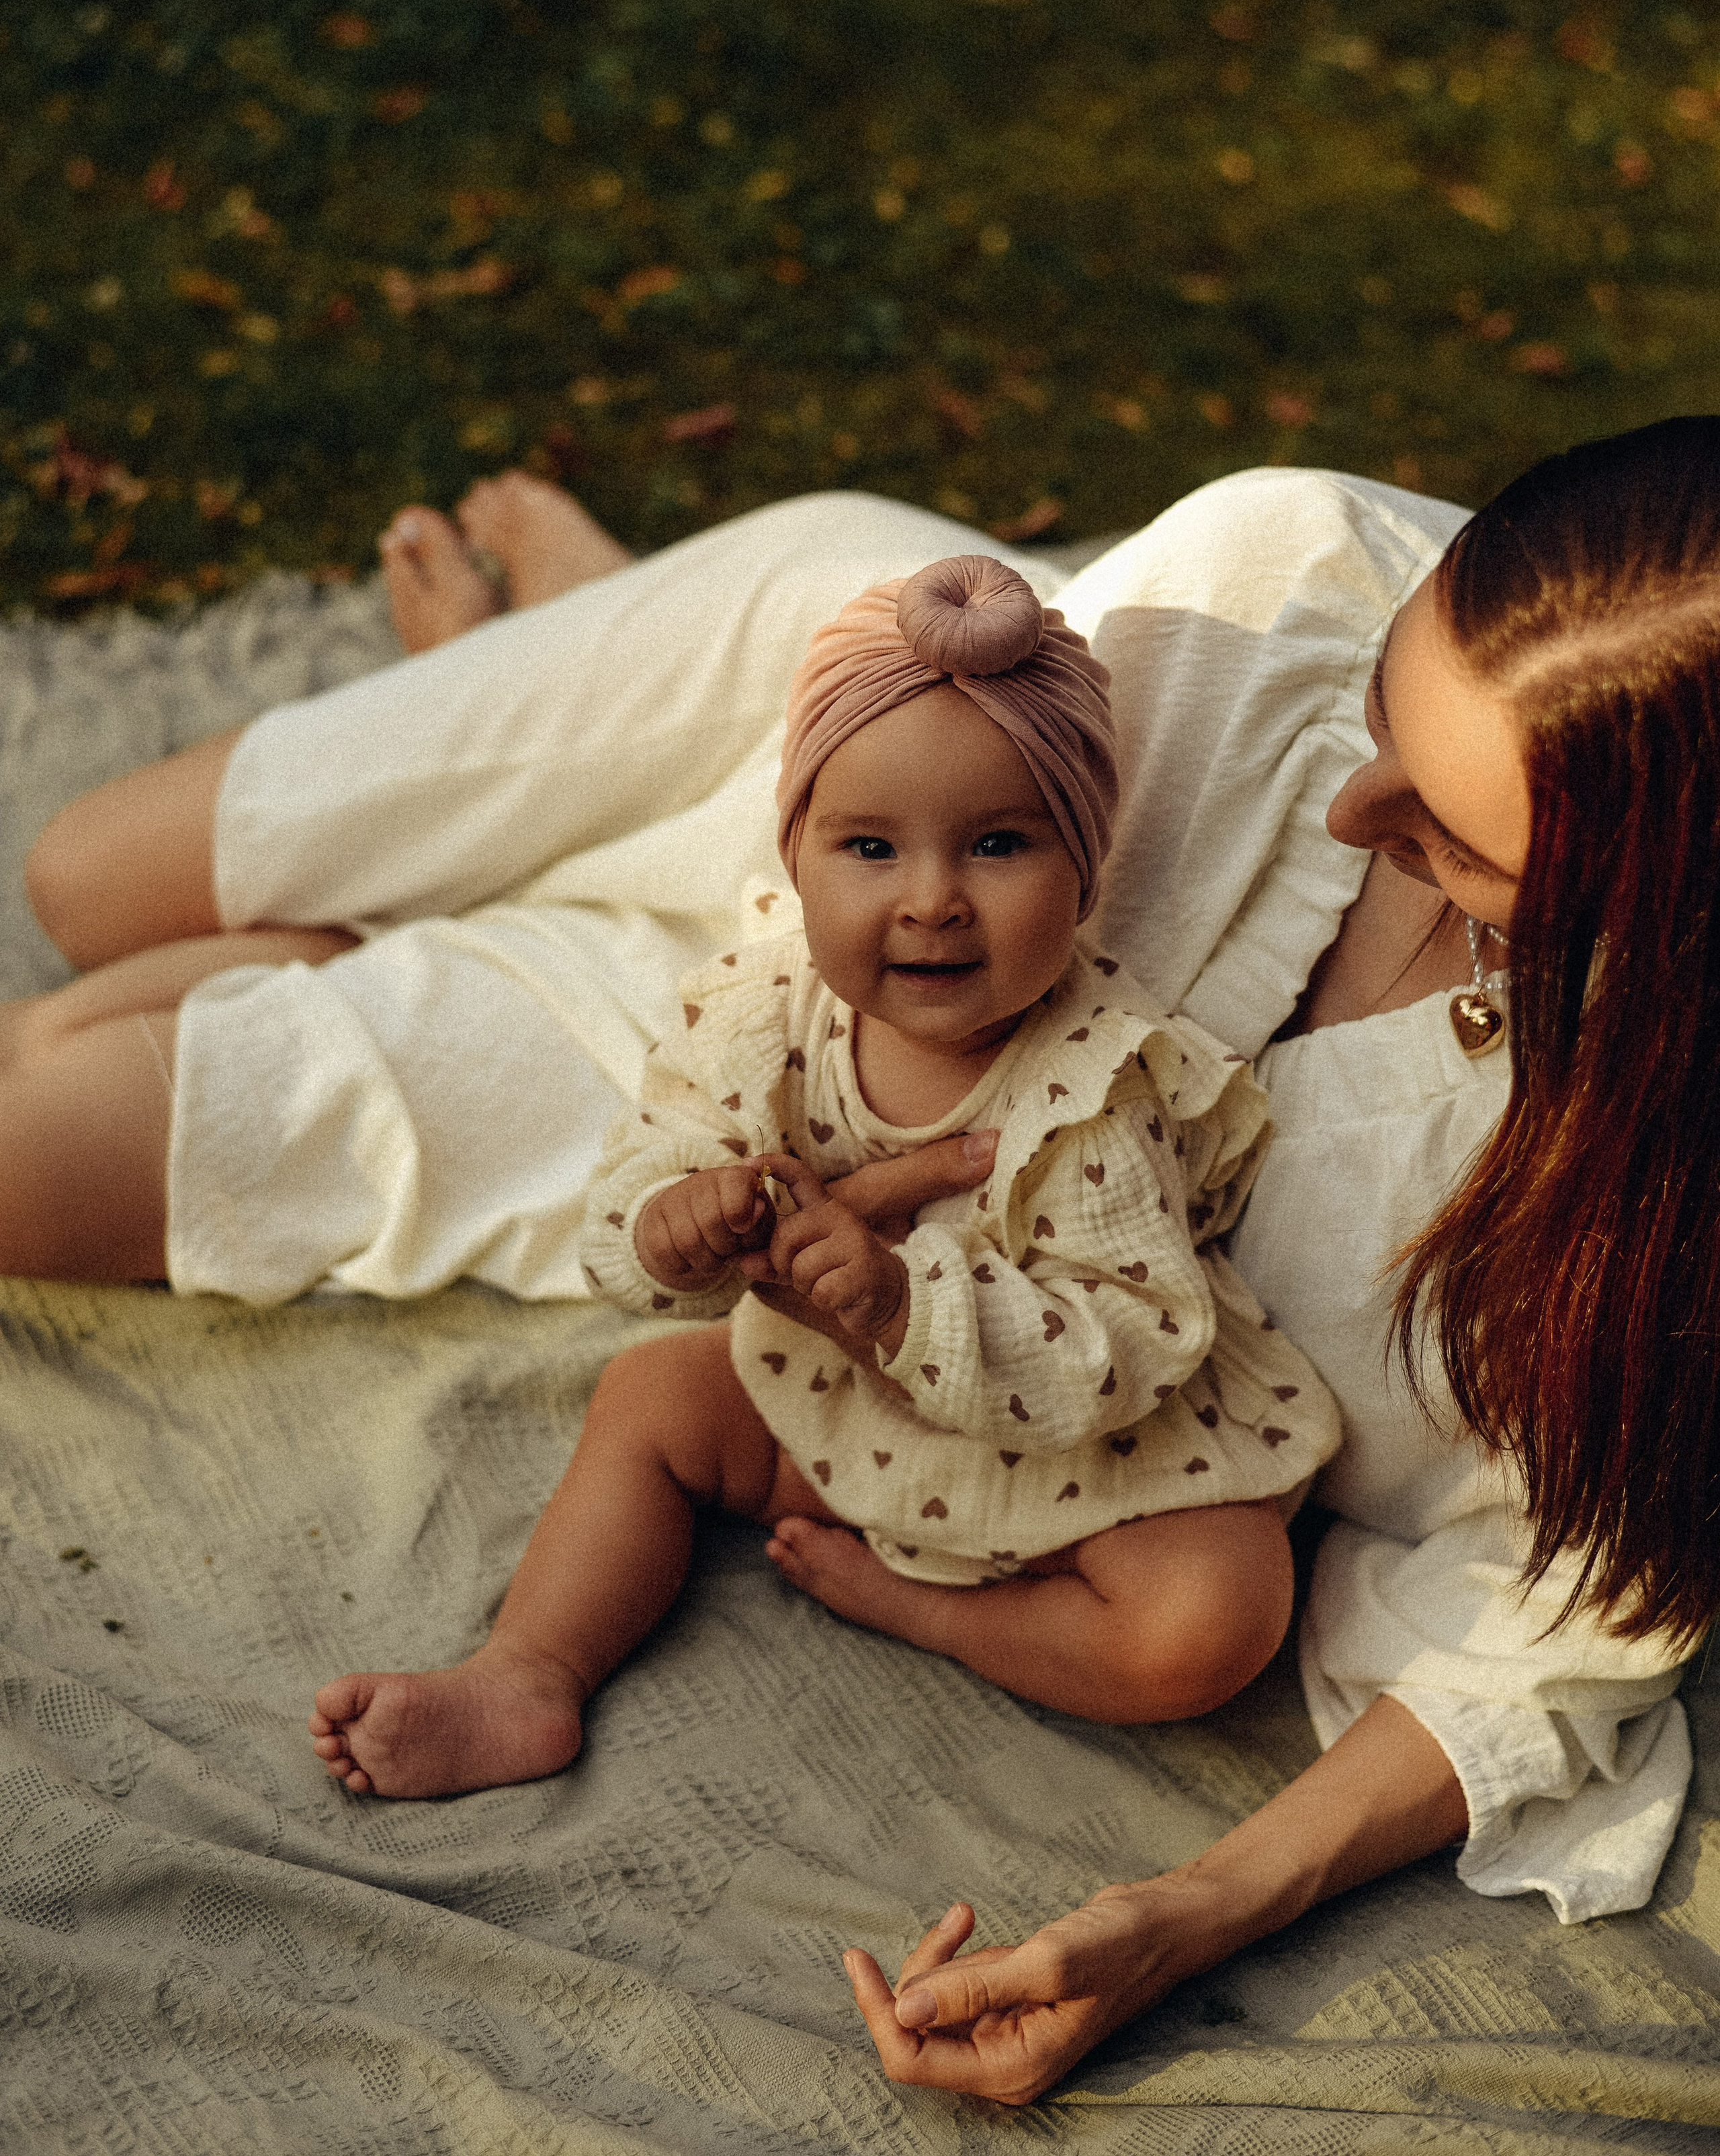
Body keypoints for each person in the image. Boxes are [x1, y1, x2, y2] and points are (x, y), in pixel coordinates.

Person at [11, 423, 1717, 2105]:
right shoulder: (1296, 572)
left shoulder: (1657, 1231)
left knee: (41, 1137)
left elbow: (1547, 1624)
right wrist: (789, 1139)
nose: (1354, 811)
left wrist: (1177, 1919)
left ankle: (437, 894)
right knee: (86, 881)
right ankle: (559, 711)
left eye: (1450, 844)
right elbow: (874, 878)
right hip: (820, 917)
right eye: (1380, 716)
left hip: (807, 1152)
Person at [303, 556, 1340, 1797]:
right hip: (840, 1412)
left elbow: (1126, 1340)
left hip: (1096, 1464)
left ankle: (938, 1615)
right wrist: (673, 1223)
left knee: (1214, 1622)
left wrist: (903, 1301)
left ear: (1088, 868)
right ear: (797, 855)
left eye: (999, 845)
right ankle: (525, 1674)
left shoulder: (1095, 1084)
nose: (933, 901)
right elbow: (659, 1158)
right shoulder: (769, 1010)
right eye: (870, 847)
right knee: (649, 1401)